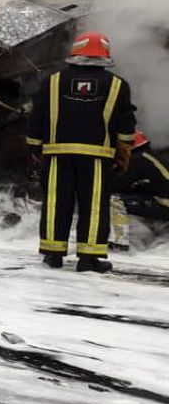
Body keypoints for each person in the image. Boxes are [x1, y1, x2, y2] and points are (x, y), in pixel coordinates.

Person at [26, 31, 138, 272]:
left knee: (57, 202)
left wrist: (35, 147)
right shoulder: (118, 85)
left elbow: (37, 117)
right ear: (105, 55)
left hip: (58, 154)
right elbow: (126, 127)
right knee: (94, 205)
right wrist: (123, 153)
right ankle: (88, 259)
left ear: (75, 51)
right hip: (97, 158)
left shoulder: (53, 81)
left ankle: (53, 255)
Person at [113, 130, 169, 221]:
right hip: (162, 201)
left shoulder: (137, 160)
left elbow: (119, 185)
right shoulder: (147, 157)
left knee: (112, 200)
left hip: (165, 204)